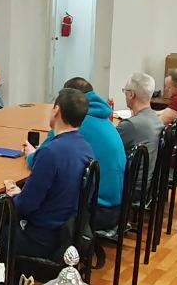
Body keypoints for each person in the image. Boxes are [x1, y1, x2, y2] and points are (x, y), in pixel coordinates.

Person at [6, 88, 93, 263]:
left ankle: (2, 279)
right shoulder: (86, 148)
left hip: (43, 238)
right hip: (70, 232)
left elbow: (26, 205)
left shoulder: (50, 152)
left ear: (56, 110)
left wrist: (14, 197)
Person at [27, 78, 123, 230]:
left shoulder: (75, 122)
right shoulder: (102, 116)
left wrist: (31, 154)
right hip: (117, 205)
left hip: (96, 209)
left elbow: (41, 161)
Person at [117, 71, 161, 155]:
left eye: (125, 91)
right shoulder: (156, 118)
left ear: (131, 94)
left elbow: (107, 146)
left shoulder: (129, 125)